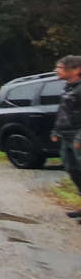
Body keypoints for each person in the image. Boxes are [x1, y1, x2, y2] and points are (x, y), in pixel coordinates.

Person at [51, 55, 81, 218]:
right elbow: (64, 111)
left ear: (76, 70)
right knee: (73, 170)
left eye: (60, 67)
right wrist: (56, 131)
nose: (56, 70)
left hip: (78, 137)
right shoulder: (68, 87)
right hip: (66, 136)